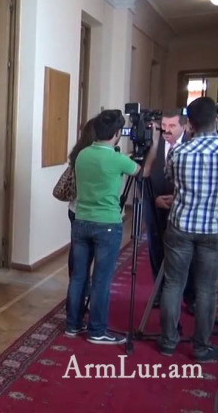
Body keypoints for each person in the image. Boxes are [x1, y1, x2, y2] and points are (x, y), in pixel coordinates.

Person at [158, 97, 218, 362]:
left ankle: (168, 342)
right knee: (207, 289)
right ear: (216, 120)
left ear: (189, 123)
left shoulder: (179, 152)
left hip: (181, 225)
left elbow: (170, 178)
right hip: (215, 228)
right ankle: (201, 347)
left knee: (173, 284)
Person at [66, 110, 140, 344]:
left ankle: (72, 325)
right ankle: (97, 330)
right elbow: (142, 172)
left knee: (78, 277)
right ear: (117, 133)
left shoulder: (82, 154)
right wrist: (152, 148)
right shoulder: (118, 159)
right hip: (107, 224)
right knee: (101, 280)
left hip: (81, 220)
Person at [141, 110, 194, 310]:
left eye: (172, 126)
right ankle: (159, 291)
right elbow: (144, 175)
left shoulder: (192, 145)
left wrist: (177, 198)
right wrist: (154, 198)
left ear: (184, 126)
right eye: (164, 126)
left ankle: (189, 296)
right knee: (156, 248)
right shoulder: (153, 143)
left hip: (183, 207)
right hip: (155, 203)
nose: (166, 130)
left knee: (186, 253)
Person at [63, 118, 96, 329]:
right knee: (87, 266)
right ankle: (85, 305)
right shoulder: (97, 156)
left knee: (77, 264)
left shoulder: (78, 154)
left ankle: (74, 312)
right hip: (91, 214)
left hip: (74, 211)